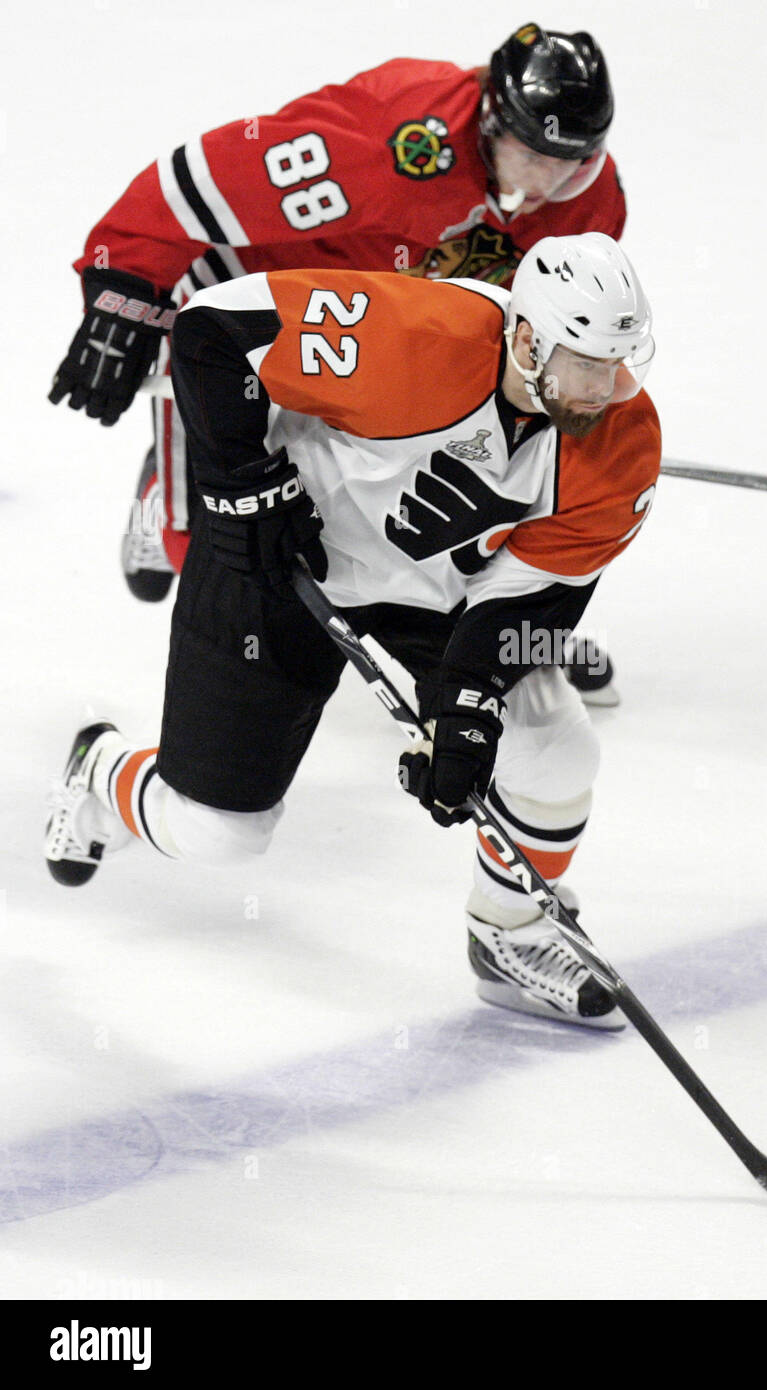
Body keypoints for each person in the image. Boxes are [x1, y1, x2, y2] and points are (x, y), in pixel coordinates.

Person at [44, 232, 660, 1030]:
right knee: (217, 833)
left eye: (619, 362)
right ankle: (103, 775)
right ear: (527, 337)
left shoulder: (623, 440)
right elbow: (208, 334)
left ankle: (509, 933)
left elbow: (531, 598)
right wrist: (242, 486)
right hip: (277, 558)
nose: (607, 388)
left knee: (553, 742)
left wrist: (468, 703)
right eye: (586, 364)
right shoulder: (411, 335)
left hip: (432, 592)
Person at [46, 21, 622, 651]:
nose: (545, 187)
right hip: (252, 308)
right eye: (532, 157)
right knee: (219, 542)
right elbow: (194, 182)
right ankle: (162, 511)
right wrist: (124, 287)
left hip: (374, 332)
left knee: (416, 488)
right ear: (490, 122)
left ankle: (483, 631)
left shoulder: (593, 202)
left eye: (567, 166)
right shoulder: (389, 145)